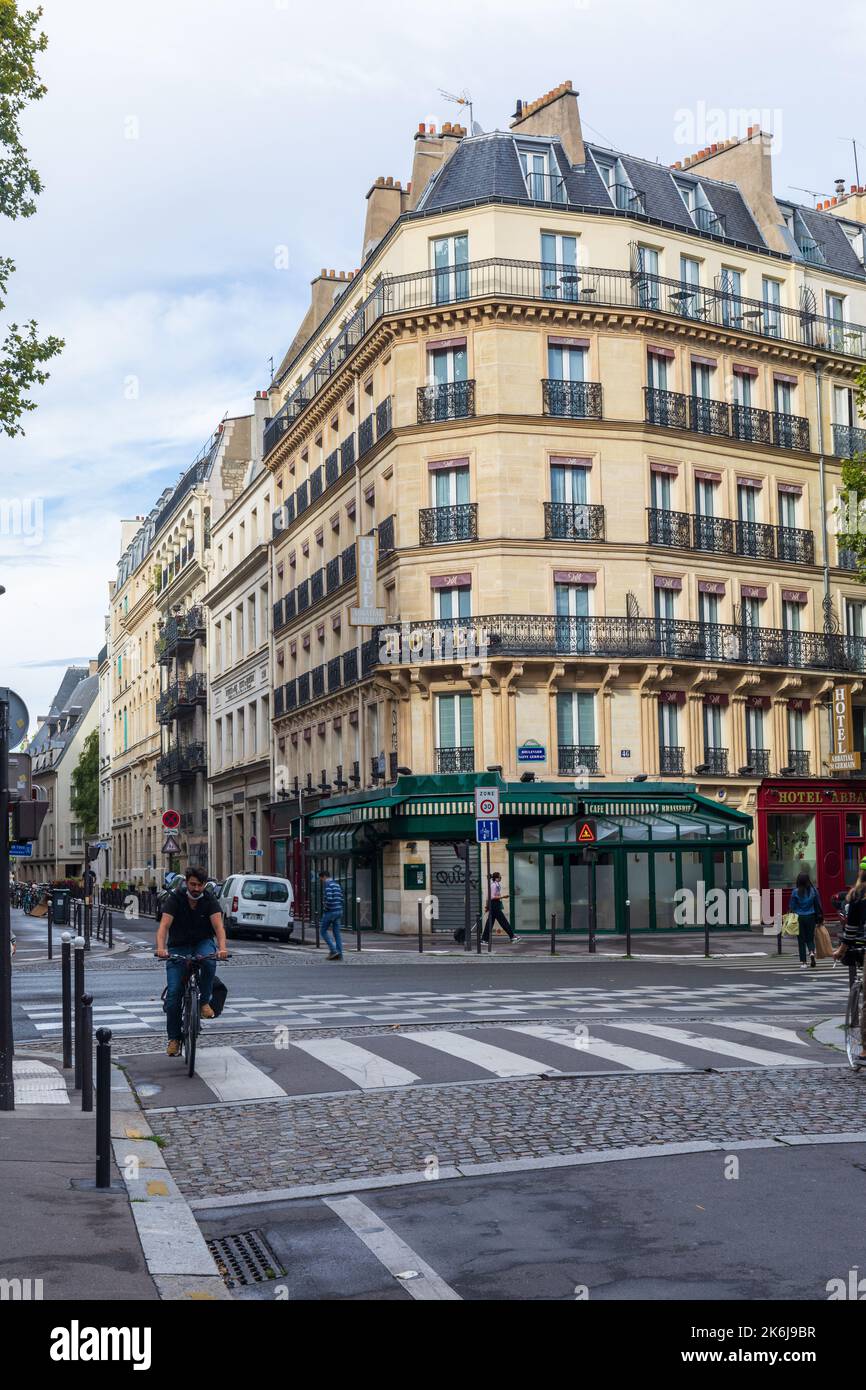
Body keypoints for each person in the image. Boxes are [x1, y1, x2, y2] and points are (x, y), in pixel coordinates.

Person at [156, 866, 227, 1057]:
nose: (196, 888)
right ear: (187, 882)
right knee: (173, 995)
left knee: (210, 962)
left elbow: (218, 927)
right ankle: (174, 1038)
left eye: (200, 885)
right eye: (193, 884)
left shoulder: (209, 900)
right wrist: (161, 948)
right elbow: (164, 925)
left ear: (204, 885)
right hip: (178, 946)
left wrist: (222, 948)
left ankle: (204, 1002)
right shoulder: (175, 899)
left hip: (202, 943)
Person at [789, 870, 823, 970]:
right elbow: (818, 904)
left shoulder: (795, 892)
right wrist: (820, 917)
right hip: (811, 916)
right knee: (810, 938)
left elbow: (792, 906)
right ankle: (812, 952)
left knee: (801, 940)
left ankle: (803, 962)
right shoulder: (813, 890)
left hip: (799, 917)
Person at [482, 872, 518, 944]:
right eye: (499, 877)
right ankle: (512, 936)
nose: (500, 878)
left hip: (495, 904)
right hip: (494, 905)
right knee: (503, 921)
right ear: (496, 878)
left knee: (490, 923)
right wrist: (503, 897)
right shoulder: (494, 885)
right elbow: (491, 897)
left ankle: (484, 939)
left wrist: (487, 906)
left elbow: (488, 896)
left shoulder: (496, 885)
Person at [318, 869, 344, 961]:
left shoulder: (328, 885)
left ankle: (333, 950)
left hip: (331, 911)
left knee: (323, 931)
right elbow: (341, 898)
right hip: (339, 910)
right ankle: (340, 954)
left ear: (324, 876)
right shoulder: (337, 884)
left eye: (321, 879)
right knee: (337, 934)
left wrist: (325, 907)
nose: (322, 881)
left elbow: (329, 899)